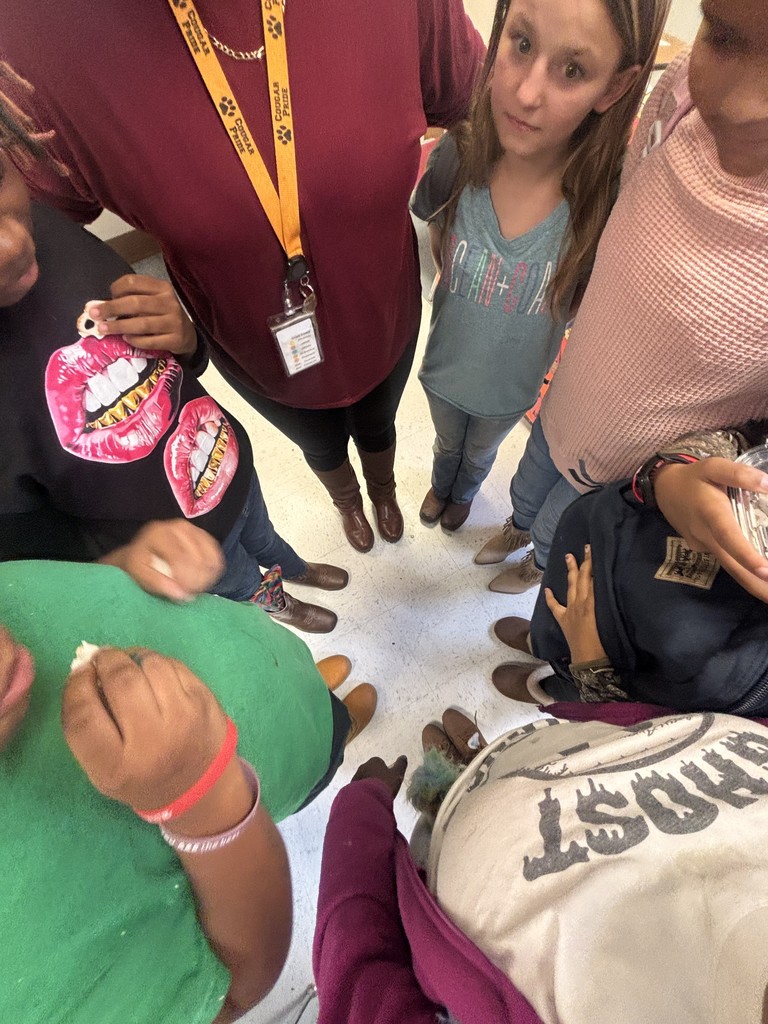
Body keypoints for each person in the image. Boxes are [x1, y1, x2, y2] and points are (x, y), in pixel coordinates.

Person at [0, 0, 485, 554]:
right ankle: (346, 499)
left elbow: (479, 103)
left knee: (379, 424)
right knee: (318, 443)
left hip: (383, 313)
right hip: (252, 344)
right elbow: (28, 245)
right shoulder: (35, 31)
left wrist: (466, 221)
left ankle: (381, 489)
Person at [0, 75, 348, 634]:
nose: (12, 244)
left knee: (263, 531)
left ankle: (291, 564)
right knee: (239, 580)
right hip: (186, 553)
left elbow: (176, 368)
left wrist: (185, 336)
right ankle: (274, 602)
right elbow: (39, 574)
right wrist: (126, 563)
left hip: (228, 461)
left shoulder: (50, 228)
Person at [0, 554, 376, 1024]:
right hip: (258, 789)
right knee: (323, 738)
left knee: (293, 694)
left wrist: (124, 563)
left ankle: (308, 694)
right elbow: (236, 988)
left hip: (240, 654)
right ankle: (337, 730)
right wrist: (200, 790)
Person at [475, 0, 768, 596]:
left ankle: (537, 564)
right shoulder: (681, 90)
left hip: (633, 468)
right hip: (568, 398)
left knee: (567, 531)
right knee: (529, 485)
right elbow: (628, 207)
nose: (739, 103)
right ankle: (516, 526)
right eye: (725, 36)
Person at [315, 706, 768, 1024]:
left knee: (444, 822)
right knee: (509, 766)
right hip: (576, 747)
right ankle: (483, 760)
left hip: (457, 852)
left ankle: (457, 788)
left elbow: (358, 973)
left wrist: (360, 810)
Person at [411, 0, 668, 532]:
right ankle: (442, 484)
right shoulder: (456, 156)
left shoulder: (603, 201)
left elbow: (584, 298)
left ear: (614, 88)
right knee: (446, 440)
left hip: (512, 391)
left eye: (572, 70)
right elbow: (438, 239)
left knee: (480, 451)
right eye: (522, 43)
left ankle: (464, 491)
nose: (526, 94)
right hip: (443, 369)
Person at [491, 421, 768, 713]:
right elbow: (748, 438)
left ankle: (549, 688)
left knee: (572, 686)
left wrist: (591, 667)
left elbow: (654, 726)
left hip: (632, 667)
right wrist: (672, 474)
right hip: (624, 551)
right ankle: (545, 642)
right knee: (563, 604)